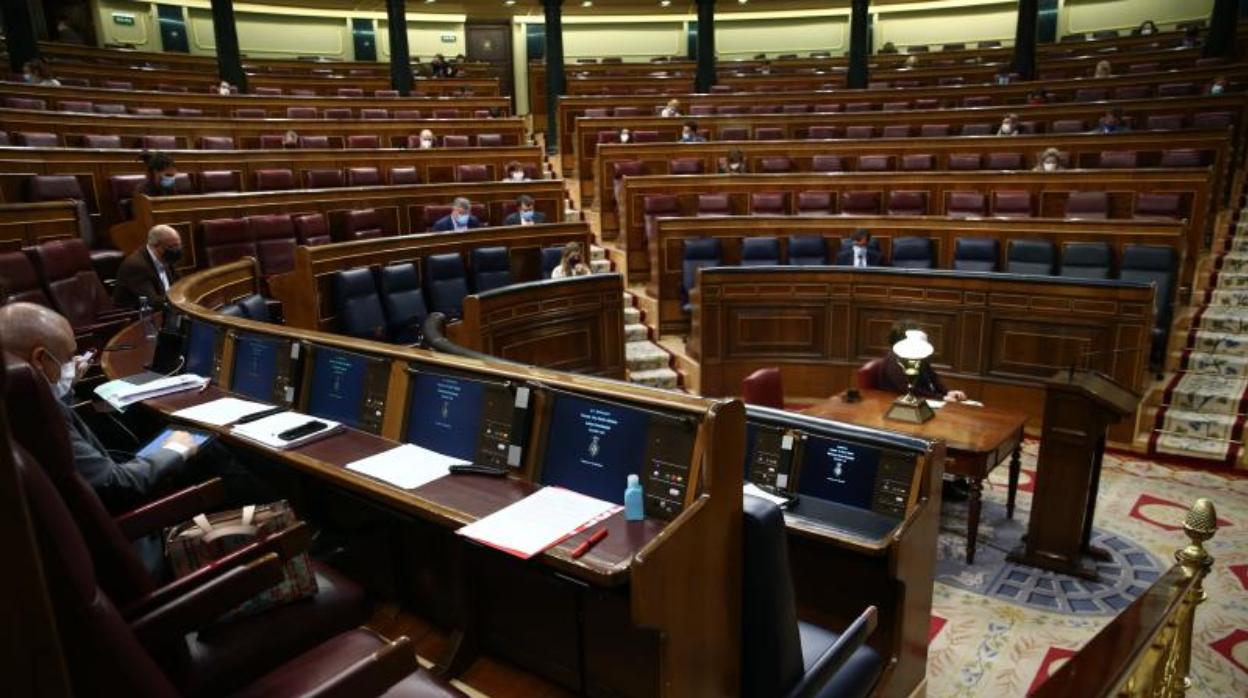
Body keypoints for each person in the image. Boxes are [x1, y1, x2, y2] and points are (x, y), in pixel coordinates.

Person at [0, 303, 204, 512]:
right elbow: (116, 485)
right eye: (68, 357)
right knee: (211, 454)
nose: (73, 363)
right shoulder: (38, 416)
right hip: (124, 518)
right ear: (39, 359)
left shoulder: (13, 401)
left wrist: (64, 389)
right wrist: (175, 450)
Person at [878, 322, 967, 402]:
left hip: (924, 401)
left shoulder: (916, 354)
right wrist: (941, 398)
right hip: (897, 404)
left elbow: (932, 376)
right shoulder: (893, 361)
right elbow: (908, 389)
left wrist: (947, 392)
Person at [113, 225, 182, 309]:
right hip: (138, 314)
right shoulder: (136, 266)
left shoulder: (167, 259)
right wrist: (181, 301)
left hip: (166, 309)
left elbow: (180, 286)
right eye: (172, 247)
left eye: (178, 245)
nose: (177, 250)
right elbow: (153, 302)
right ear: (156, 246)